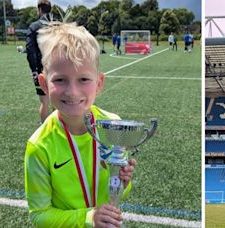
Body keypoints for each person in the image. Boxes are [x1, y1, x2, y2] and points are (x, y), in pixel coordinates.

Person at [24, 21, 136, 227]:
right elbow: (39, 215)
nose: (72, 92)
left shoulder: (114, 127)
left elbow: (117, 193)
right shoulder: (39, 146)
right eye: (60, 80)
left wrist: (123, 183)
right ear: (43, 84)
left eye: (83, 79)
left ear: (99, 83)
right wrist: (88, 218)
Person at [26, 0, 51, 123]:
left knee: (44, 102)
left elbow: (31, 50)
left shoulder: (34, 27)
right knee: (59, 100)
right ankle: (61, 129)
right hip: (57, 68)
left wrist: (34, 70)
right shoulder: (57, 26)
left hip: (41, 69)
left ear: (39, 9)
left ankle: (44, 131)